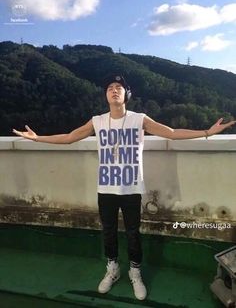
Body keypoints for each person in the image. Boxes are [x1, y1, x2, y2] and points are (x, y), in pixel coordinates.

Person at [13, 75, 236, 301]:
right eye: (109, 88)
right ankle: (113, 269)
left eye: (118, 87)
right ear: (105, 95)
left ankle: (135, 271)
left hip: (131, 189)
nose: (114, 90)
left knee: (132, 234)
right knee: (108, 232)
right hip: (106, 188)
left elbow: (171, 132)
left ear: (126, 95)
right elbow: (70, 137)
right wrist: (37, 138)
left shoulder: (139, 119)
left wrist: (207, 132)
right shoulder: (97, 121)